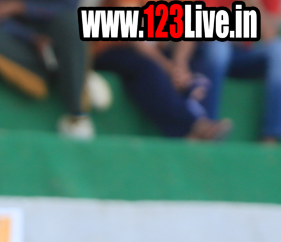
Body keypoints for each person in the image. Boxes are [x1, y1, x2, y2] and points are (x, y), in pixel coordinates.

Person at [89, 0, 230, 140]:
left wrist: (180, 65)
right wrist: (167, 67)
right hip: (111, 49)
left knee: (199, 58)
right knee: (147, 67)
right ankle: (192, 128)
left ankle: (203, 120)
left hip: (152, 53)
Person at [0, 0, 93, 138]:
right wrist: (30, 37)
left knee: (73, 24)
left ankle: (76, 115)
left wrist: (22, 8)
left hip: (53, 30)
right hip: (17, 38)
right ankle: (71, 71)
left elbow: (68, 8)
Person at [189, 0, 281, 143]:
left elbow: (269, 36)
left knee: (278, 50)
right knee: (218, 46)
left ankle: (270, 136)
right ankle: (207, 127)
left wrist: (252, 2)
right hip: (208, 52)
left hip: (244, 56)